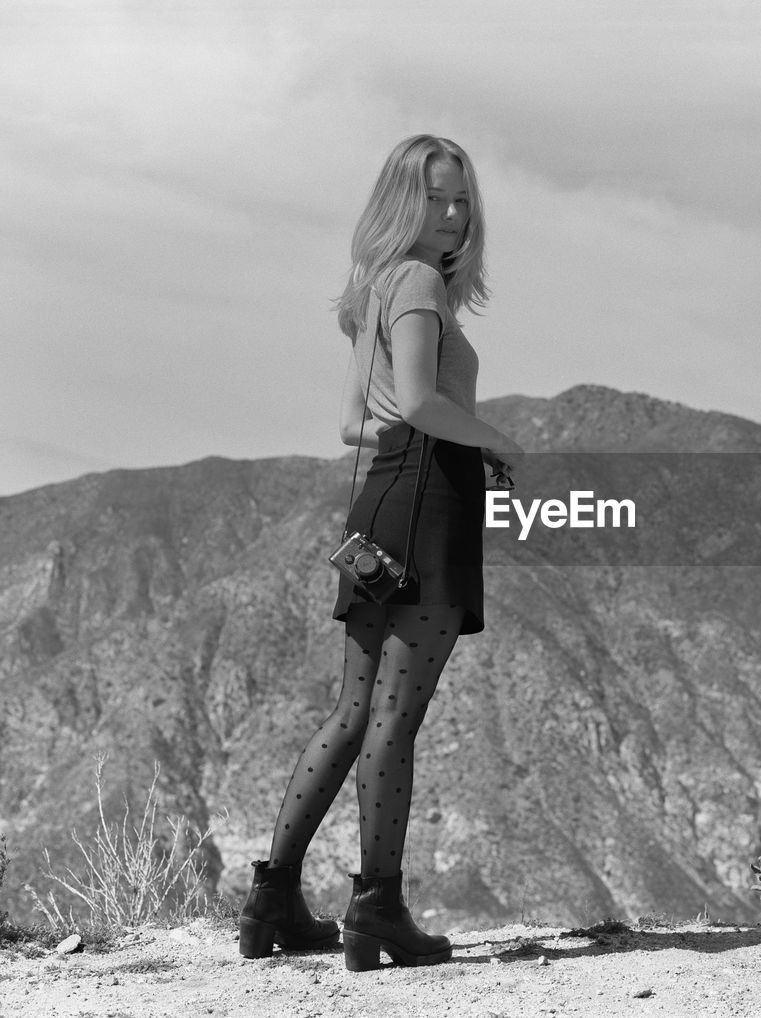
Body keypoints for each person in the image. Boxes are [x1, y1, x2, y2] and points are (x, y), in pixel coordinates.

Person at [237, 135, 523, 972]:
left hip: (382, 497)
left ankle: (274, 897)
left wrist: (464, 442)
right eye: (436, 199)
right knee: (394, 719)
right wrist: (499, 440)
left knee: (354, 712)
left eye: (463, 201)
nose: (454, 216)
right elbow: (428, 405)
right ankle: (378, 908)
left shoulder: (377, 289)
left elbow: (363, 419)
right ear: (403, 203)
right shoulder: (420, 282)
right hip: (428, 496)